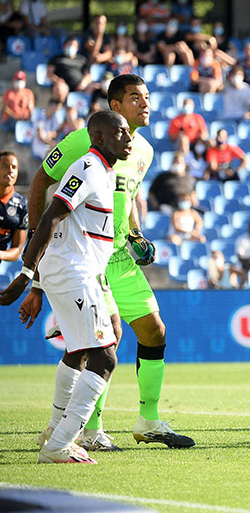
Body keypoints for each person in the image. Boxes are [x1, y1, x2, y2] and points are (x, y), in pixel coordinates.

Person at [25, 75, 195, 451]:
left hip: (121, 258)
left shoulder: (145, 151)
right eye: (136, 97)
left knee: (154, 332)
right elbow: (40, 183)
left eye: (147, 97)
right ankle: (90, 429)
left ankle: (148, 420)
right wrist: (35, 256)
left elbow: (128, 195)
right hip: (88, 258)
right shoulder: (82, 141)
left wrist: (135, 233)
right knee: (105, 340)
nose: (145, 104)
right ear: (115, 106)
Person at [4, 110, 133, 463]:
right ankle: (61, 442)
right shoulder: (88, 169)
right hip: (72, 273)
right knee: (105, 355)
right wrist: (28, 274)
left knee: (78, 351)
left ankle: (54, 429)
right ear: (100, 138)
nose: (128, 138)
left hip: (74, 271)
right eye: (120, 132)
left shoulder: (105, 172)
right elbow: (49, 218)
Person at [0, 151, 27, 262]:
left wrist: (1, 254)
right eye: (5, 166)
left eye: (14, 167)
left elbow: (16, 250)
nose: (10, 170)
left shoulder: (21, 205)